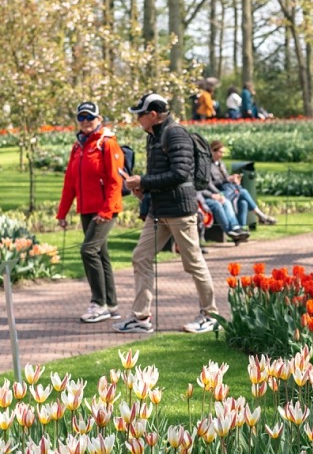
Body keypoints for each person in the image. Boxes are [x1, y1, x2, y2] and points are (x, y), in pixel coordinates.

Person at [116, 92, 218, 334]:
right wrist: (144, 189)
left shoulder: (175, 133)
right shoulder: (154, 136)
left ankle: (211, 315)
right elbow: (162, 176)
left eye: (139, 115)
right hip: (159, 210)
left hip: (180, 211)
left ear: (153, 115)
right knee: (141, 256)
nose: (137, 119)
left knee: (193, 263)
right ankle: (141, 318)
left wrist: (145, 180)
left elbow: (181, 174)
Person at [56, 101, 125, 323]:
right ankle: (111, 304)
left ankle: (99, 303)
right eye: (81, 118)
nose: (85, 121)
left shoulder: (107, 144)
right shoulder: (78, 146)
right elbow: (70, 182)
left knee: (88, 251)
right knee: (100, 255)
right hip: (86, 209)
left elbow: (115, 181)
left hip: (105, 209)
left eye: (89, 117)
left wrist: (106, 211)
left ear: (99, 119)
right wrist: (62, 213)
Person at [208, 141, 277, 229]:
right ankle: (260, 215)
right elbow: (209, 184)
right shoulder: (208, 166)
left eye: (223, 152)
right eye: (220, 152)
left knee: (243, 202)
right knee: (243, 192)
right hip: (219, 193)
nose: (222, 155)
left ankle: (240, 230)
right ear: (213, 151)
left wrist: (233, 179)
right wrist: (226, 180)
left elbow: (226, 178)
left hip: (228, 190)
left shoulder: (221, 164)